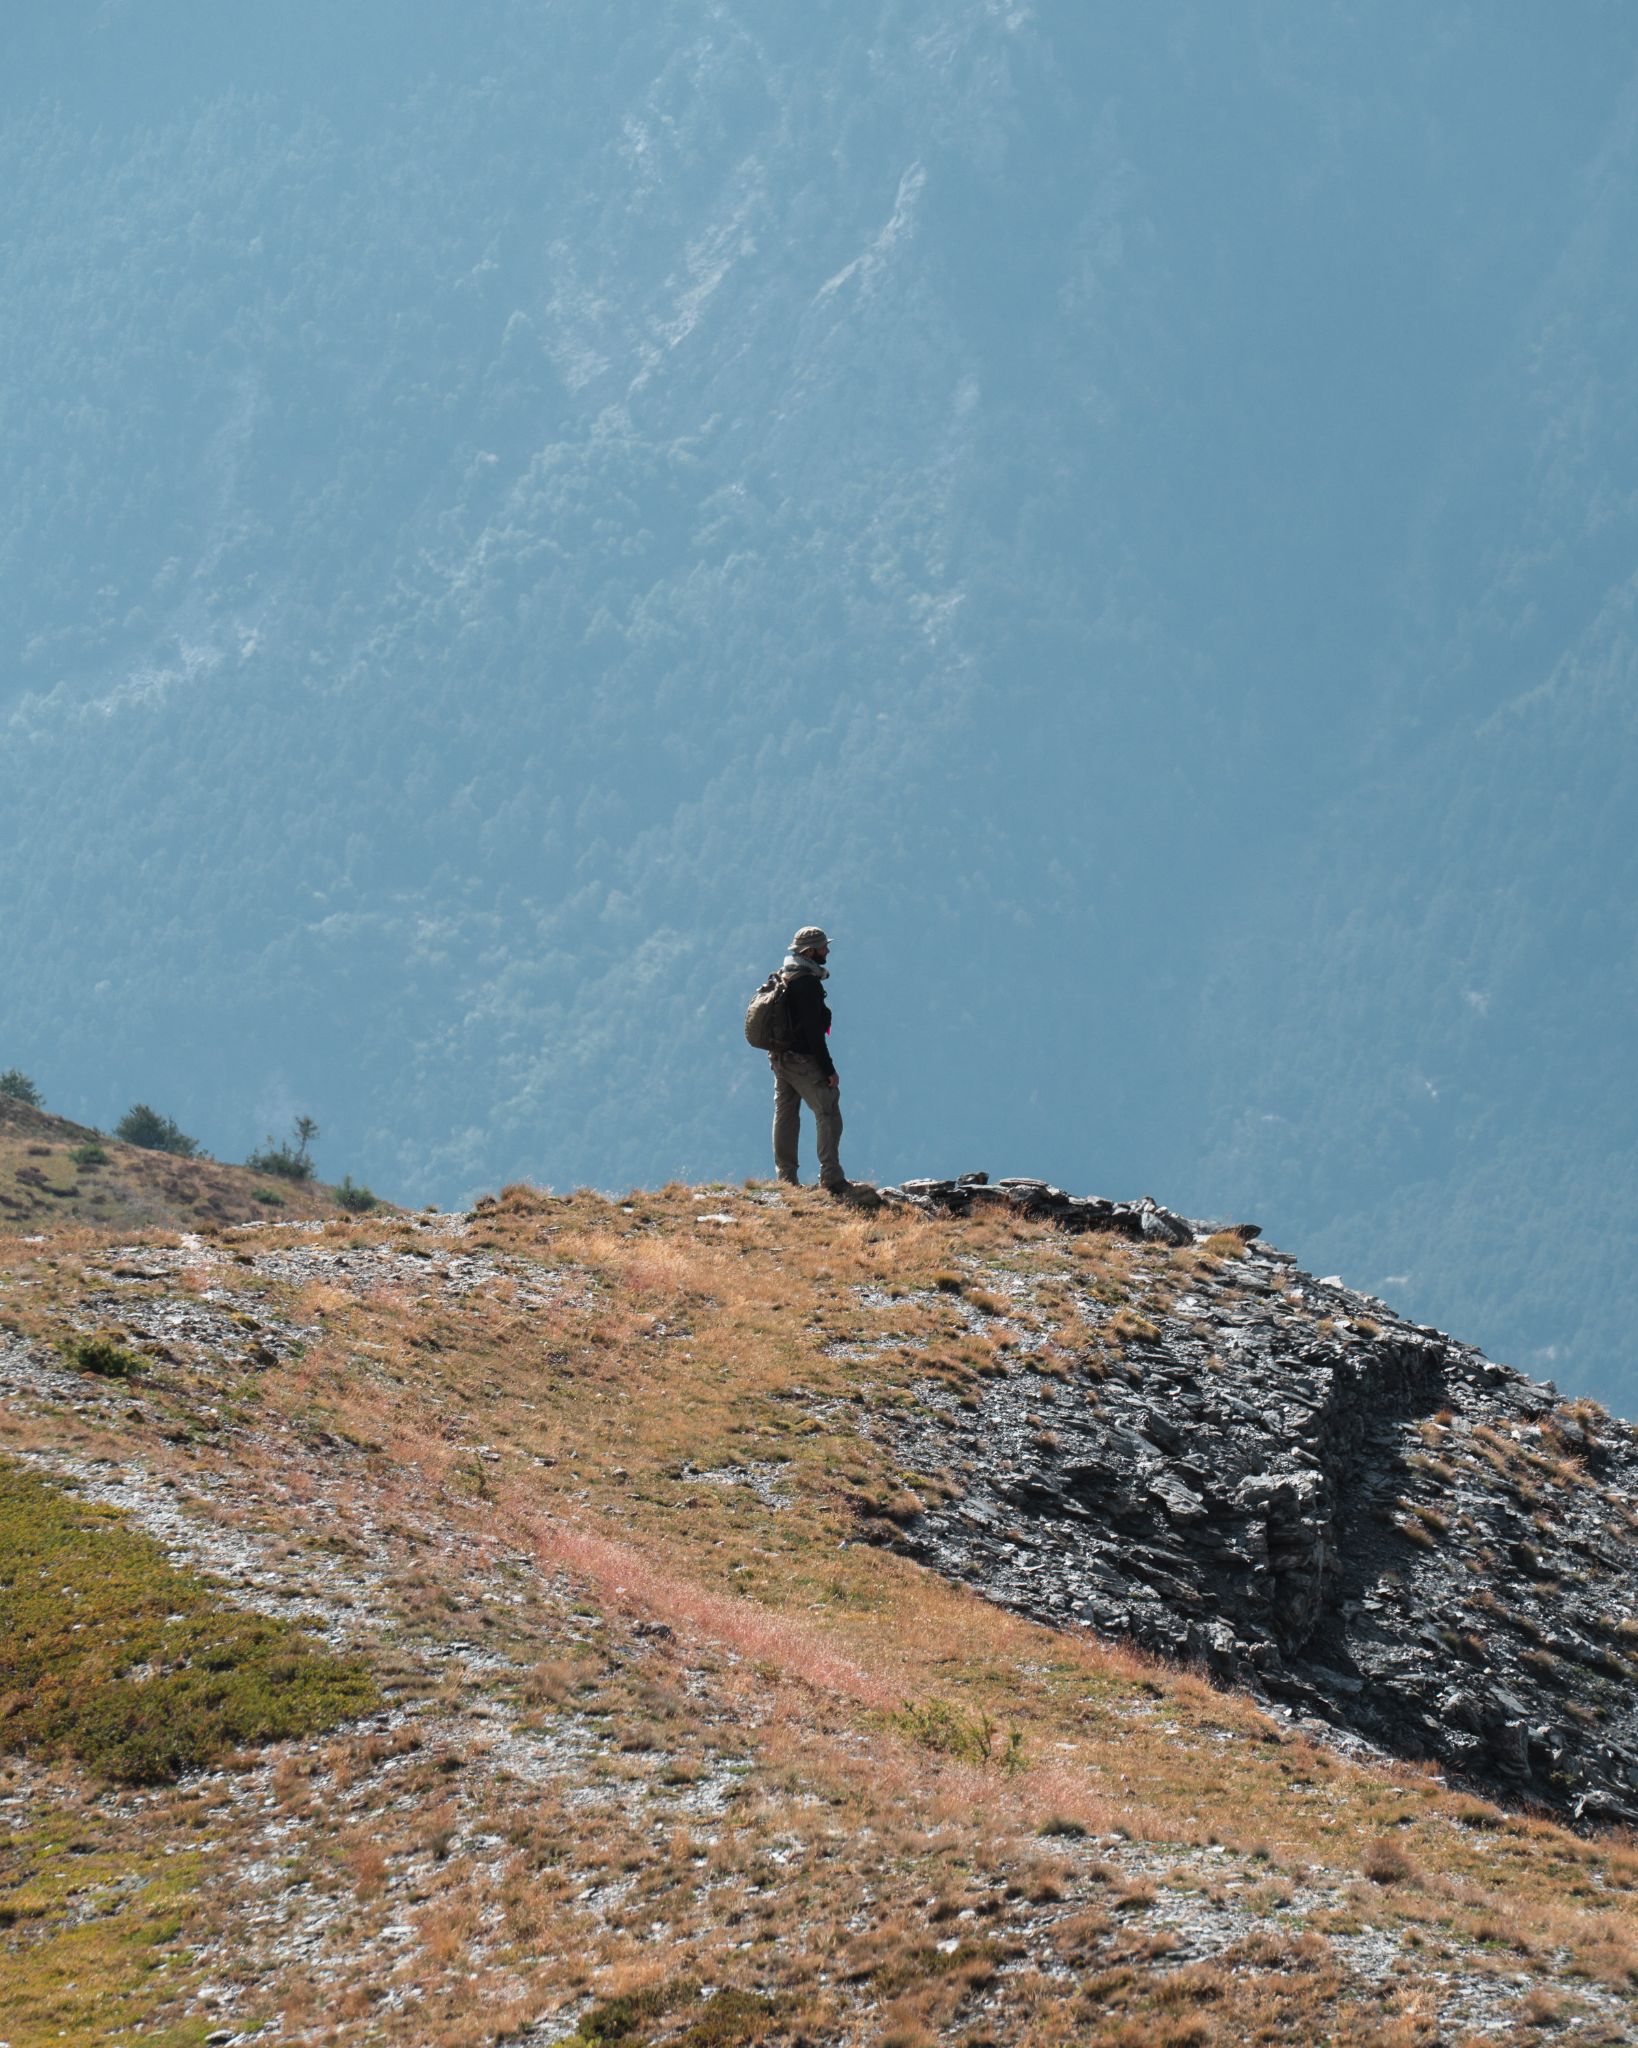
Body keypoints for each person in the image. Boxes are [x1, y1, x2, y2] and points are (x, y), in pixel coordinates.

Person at [770, 925, 859, 1198]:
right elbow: (813, 1032)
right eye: (823, 947)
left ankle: (786, 1179)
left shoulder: (786, 974)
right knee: (828, 1109)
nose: (827, 951)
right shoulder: (806, 983)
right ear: (809, 952)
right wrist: (828, 1069)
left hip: (780, 1057)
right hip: (802, 1059)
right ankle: (831, 1177)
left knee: (786, 1114)